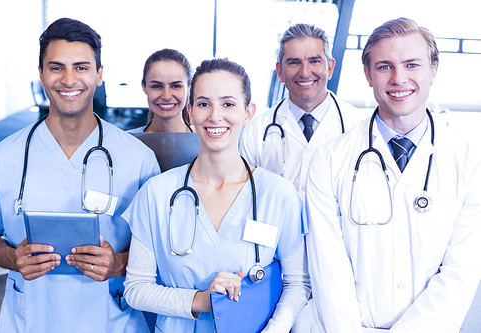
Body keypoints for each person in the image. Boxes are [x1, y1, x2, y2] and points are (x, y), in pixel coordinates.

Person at [0, 18, 160, 332]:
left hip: (111, 320)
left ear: (99, 74)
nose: (68, 79)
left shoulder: (138, 160)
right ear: (40, 75)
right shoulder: (3, 158)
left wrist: (117, 263)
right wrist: (13, 258)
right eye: (56, 67)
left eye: (81, 67)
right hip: (30, 319)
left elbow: (162, 250)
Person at [305, 17, 481, 332]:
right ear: (368, 75)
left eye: (412, 65)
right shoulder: (330, 158)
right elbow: (328, 269)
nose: (399, 78)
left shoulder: (468, 159)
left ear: (433, 71)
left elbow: (460, 272)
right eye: (385, 66)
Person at [123, 58, 310, 332]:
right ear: (190, 112)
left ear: (248, 113)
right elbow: (136, 289)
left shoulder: (278, 195)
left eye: (228, 104)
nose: (215, 116)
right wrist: (201, 301)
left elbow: (298, 283)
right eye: (203, 103)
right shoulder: (156, 193)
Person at [239, 23, 367, 199]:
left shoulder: (358, 125)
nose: (305, 72)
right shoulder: (257, 130)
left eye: (314, 61)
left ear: (329, 68)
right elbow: (247, 200)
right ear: (280, 71)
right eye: (294, 62)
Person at [128, 48, 193, 134]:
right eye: (157, 86)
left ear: (189, 87)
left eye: (176, 86)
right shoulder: (125, 141)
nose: (166, 96)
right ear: (144, 86)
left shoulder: (208, 143)